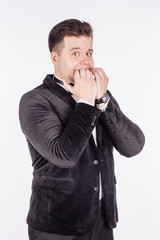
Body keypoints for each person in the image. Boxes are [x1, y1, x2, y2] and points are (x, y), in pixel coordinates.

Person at [19, 19, 145, 240]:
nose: (85, 61)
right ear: (55, 58)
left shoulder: (99, 94)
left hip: (102, 220)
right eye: (75, 53)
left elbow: (133, 146)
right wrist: (86, 103)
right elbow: (64, 156)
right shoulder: (35, 100)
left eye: (89, 53)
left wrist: (101, 100)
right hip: (57, 227)